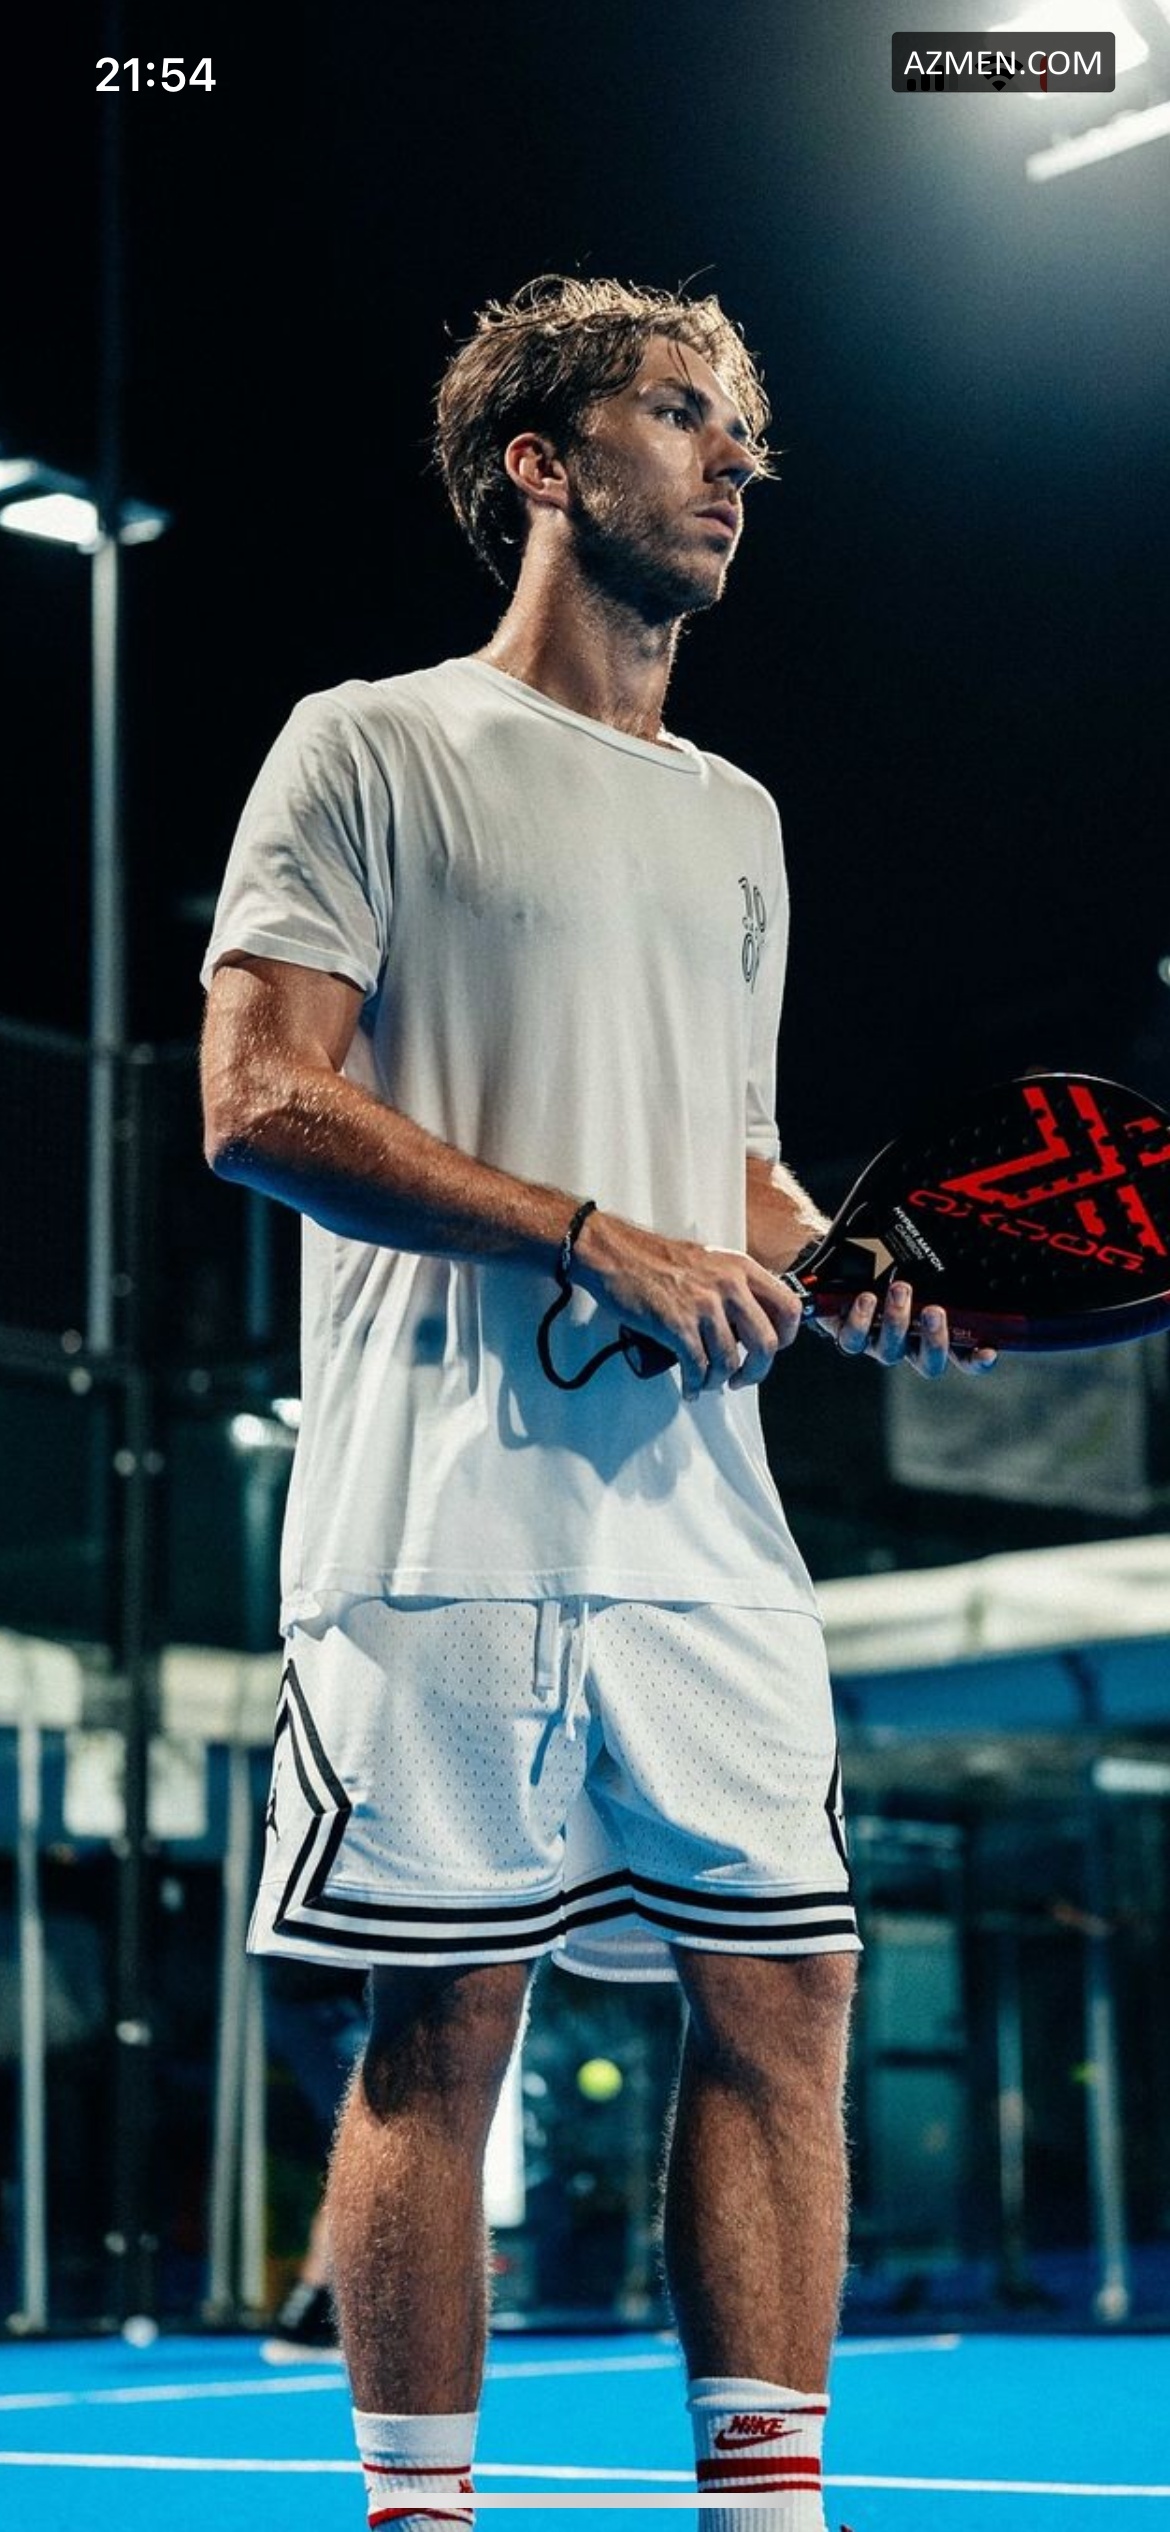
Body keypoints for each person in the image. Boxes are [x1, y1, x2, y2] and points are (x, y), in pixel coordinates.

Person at [199, 272, 995, 2532]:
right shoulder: (368, 744)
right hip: (435, 1513)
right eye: (680, 411)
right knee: (443, 2023)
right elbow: (257, 1100)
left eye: (746, 427)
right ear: (541, 463)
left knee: (792, 1992)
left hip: (699, 1528)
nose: (737, 458)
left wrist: (840, 1265)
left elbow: (729, 1161)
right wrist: (581, 1233)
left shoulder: (740, 818)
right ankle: (420, 2514)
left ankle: (767, 2508)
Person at [260, 1956, 368, 2359]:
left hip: (317, 2002)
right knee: (365, 2158)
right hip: (322, 2003)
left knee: (362, 2158)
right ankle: (311, 2309)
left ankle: (314, 2308)